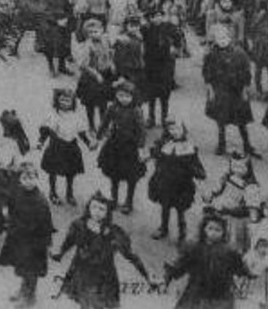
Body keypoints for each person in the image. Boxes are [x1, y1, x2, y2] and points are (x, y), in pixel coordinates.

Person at [51, 193, 152, 309]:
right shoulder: (79, 225)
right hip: (82, 271)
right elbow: (69, 242)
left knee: (99, 304)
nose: (97, 212)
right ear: (88, 208)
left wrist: (147, 276)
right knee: (84, 301)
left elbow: (130, 255)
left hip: (104, 275)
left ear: (107, 212)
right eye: (94, 207)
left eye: (101, 209)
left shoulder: (114, 232)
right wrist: (60, 253)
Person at [164, 214, 254, 309]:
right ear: (204, 229)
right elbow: (182, 264)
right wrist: (171, 273)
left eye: (218, 230)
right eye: (210, 228)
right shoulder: (195, 248)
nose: (213, 233)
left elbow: (239, 266)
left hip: (221, 291)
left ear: (223, 232)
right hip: (197, 290)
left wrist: (248, 273)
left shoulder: (229, 251)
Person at [0, 162, 55, 307]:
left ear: (37, 179)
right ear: (20, 180)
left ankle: (30, 297)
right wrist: (6, 212)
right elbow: (10, 204)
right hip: (21, 238)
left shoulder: (41, 200)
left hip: (35, 242)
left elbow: (47, 224)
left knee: (32, 269)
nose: (29, 181)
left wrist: (48, 243)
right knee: (23, 266)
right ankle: (23, 290)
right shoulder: (18, 193)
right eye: (25, 178)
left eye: (32, 178)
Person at [202, 25, 259, 157]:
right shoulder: (211, 54)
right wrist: (210, 89)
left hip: (236, 91)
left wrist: (245, 89)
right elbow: (207, 73)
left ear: (229, 37)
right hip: (220, 90)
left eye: (224, 37)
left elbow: (246, 72)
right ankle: (221, 144)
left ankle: (247, 145)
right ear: (215, 40)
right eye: (219, 38)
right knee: (221, 119)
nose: (222, 40)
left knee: (242, 120)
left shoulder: (239, 53)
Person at [147, 118, 205, 243]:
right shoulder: (165, 144)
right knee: (165, 206)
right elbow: (156, 156)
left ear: (183, 130)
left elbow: (197, 165)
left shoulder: (189, 147)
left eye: (178, 129)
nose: (174, 132)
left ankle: (182, 232)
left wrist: (197, 172)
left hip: (182, 185)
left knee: (180, 209)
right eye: (171, 129)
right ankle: (163, 228)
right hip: (165, 182)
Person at [94, 80, 146, 214]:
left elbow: (142, 131)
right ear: (116, 95)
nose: (124, 99)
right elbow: (104, 122)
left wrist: (140, 148)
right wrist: (98, 137)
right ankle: (114, 198)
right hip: (115, 145)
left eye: (127, 96)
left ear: (133, 97)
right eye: (121, 95)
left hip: (130, 147)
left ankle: (129, 201)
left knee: (131, 176)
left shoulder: (136, 111)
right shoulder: (112, 107)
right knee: (114, 173)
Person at [200, 152, 261, 254]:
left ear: (248, 168)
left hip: (235, 218)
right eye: (234, 166)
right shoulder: (227, 177)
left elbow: (252, 207)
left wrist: (253, 222)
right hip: (221, 208)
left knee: (233, 242)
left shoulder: (250, 186)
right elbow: (217, 190)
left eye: (241, 167)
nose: (237, 170)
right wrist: (209, 196)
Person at [37, 87, 88, 206]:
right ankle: (53, 192)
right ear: (57, 100)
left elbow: (81, 132)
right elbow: (45, 131)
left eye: (68, 101)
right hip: (56, 146)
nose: (64, 103)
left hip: (71, 147)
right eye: (62, 100)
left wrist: (88, 142)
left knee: (70, 172)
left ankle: (69, 193)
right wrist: (40, 142)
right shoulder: (52, 115)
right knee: (52, 171)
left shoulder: (76, 116)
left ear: (73, 102)